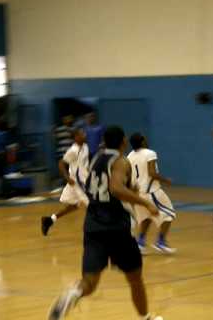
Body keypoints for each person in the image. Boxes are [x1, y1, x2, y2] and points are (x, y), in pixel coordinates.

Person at [48, 126, 163, 320]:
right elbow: (116, 188)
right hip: (116, 226)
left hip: (93, 225)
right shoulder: (120, 161)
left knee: (89, 282)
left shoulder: (96, 159)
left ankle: (73, 293)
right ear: (123, 142)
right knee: (135, 277)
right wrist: (145, 203)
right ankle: (146, 318)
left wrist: (131, 187)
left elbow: (107, 184)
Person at [127, 133, 176, 255]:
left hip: (138, 193)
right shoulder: (150, 153)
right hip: (151, 191)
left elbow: (129, 175)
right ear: (143, 141)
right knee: (169, 214)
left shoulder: (129, 155)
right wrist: (166, 180)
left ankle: (140, 243)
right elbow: (152, 172)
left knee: (146, 217)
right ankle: (161, 242)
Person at [41, 128, 89, 236]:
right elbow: (61, 163)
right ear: (76, 137)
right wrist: (66, 177)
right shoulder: (73, 150)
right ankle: (96, 233)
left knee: (74, 206)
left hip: (84, 180)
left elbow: (84, 163)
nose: (84, 135)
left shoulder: (85, 146)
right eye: (81, 134)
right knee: (92, 206)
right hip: (76, 183)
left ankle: (49, 220)